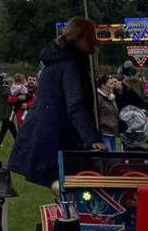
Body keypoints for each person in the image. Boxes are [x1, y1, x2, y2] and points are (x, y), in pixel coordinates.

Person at [9, 16, 102, 188]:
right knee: (76, 189)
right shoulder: (71, 66)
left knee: (63, 191)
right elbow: (75, 104)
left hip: (45, 135)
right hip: (62, 138)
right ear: (81, 38)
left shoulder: (53, 62)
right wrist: (92, 138)